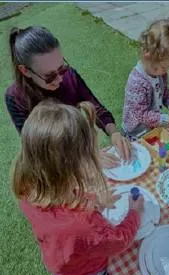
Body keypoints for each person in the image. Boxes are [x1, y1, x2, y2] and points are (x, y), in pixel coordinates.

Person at [11, 99, 144, 275]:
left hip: (59, 260)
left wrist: (94, 201)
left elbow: (62, 200)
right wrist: (134, 213)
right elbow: (119, 241)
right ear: (71, 168)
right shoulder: (84, 224)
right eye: (92, 155)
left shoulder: (29, 187)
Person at [6, 26, 131, 169]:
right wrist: (83, 159)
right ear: (25, 71)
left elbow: (94, 106)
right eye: (50, 76)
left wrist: (113, 133)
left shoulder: (69, 76)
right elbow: (38, 148)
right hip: (57, 164)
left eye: (61, 68)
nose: (59, 79)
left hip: (79, 143)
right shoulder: (16, 98)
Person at [122, 18, 169, 137]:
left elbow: (165, 92)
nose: (165, 71)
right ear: (147, 56)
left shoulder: (160, 73)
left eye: (168, 67)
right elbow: (141, 115)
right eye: (162, 67)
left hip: (152, 126)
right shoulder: (137, 82)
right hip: (136, 132)